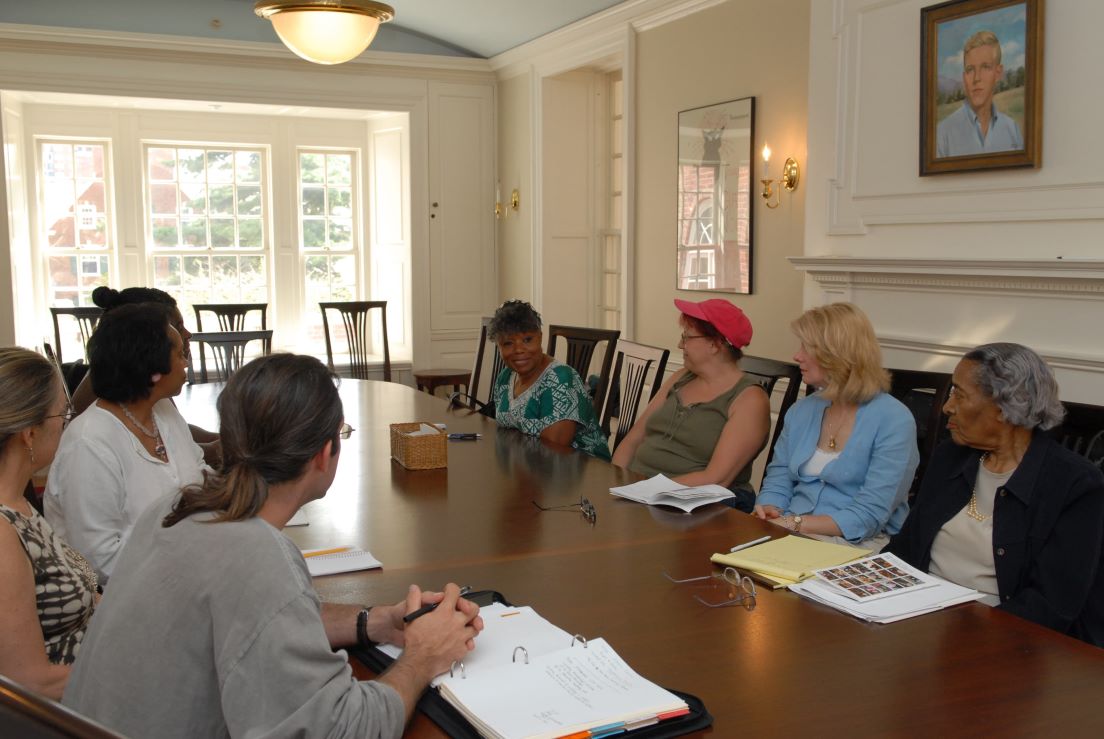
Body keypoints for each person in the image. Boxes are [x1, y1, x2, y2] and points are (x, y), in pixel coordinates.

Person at [63, 354, 483, 737]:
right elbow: (342, 729)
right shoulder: (256, 556)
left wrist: (374, 622)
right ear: (324, 454)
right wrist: (423, 657)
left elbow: (257, 623)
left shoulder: (177, 506)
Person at [884, 343, 1104, 646]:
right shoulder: (950, 456)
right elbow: (904, 549)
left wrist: (954, 633)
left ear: (1004, 407)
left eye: (959, 394)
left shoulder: (1076, 484)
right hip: (915, 621)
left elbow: (1051, 606)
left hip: (1001, 641)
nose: (947, 406)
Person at [44, 303, 208, 581]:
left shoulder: (163, 411)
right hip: (125, 596)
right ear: (152, 367)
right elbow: (98, 560)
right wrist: (191, 570)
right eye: (180, 355)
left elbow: (200, 475)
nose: (186, 362)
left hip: (185, 572)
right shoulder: (90, 444)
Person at [754, 303, 918, 549]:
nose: (797, 356)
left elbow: (869, 514)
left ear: (837, 353)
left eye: (807, 347)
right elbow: (778, 479)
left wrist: (794, 523)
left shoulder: (894, 420)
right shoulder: (801, 411)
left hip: (858, 544)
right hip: (789, 534)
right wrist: (770, 511)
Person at [0, 348, 97, 699]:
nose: (65, 423)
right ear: (29, 433)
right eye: (62, 413)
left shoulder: (20, 503)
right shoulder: (2, 534)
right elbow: (27, 683)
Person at [612, 299, 770, 512]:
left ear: (715, 344)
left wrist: (643, 492)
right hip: (641, 494)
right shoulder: (681, 377)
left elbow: (716, 478)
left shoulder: (750, 400)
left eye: (687, 337)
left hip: (696, 505)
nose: (680, 345)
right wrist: (616, 482)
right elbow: (632, 440)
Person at [72, 285, 220, 463]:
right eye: (177, 327)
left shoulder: (147, 386)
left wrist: (220, 440)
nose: (187, 334)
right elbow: (165, 455)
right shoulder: (91, 435)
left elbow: (176, 433)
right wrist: (219, 448)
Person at [489, 300, 611, 460]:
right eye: (508, 343)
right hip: (526, 469)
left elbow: (551, 453)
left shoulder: (560, 380)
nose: (518, 350)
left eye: (527, 340)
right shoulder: (505, 378)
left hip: (581, 473)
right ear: (499, 347)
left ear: (540, 337)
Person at [936, 30, 1023, 158]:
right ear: (964, 77)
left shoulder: (1012, 130)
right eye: (970, 69)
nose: (977, 78)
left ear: (998, 73)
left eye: (985, 67)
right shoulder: (942, 133)